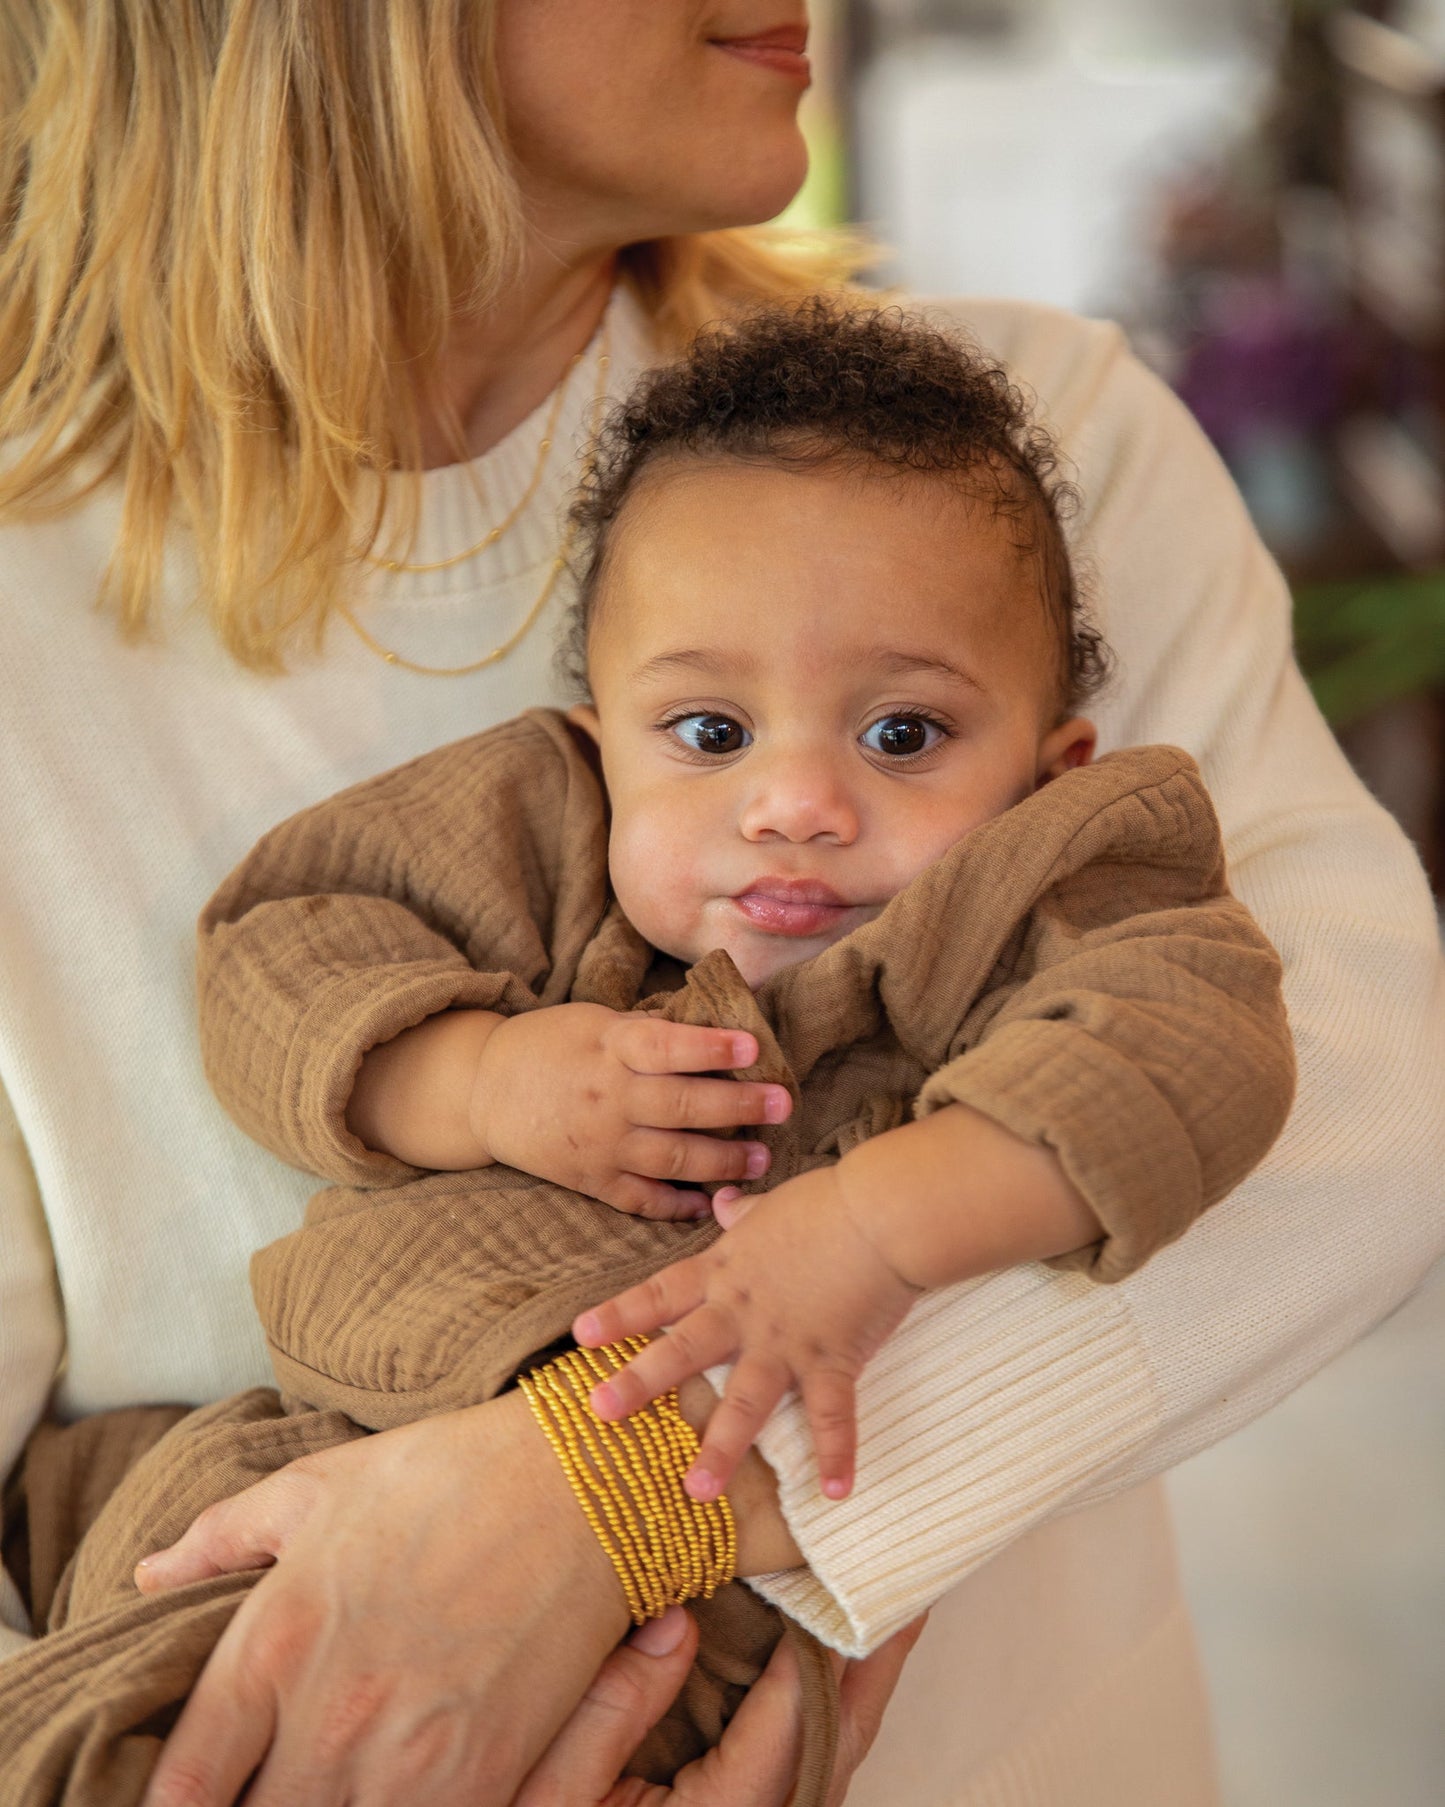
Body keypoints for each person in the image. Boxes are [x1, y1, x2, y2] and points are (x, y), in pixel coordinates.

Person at [0, 6, 1439, 1806]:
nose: (800, 805)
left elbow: (1349, 1082)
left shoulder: (1005, 466)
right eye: (699, 729)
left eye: (905, 734)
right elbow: (299, 964)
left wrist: (616, 1496)